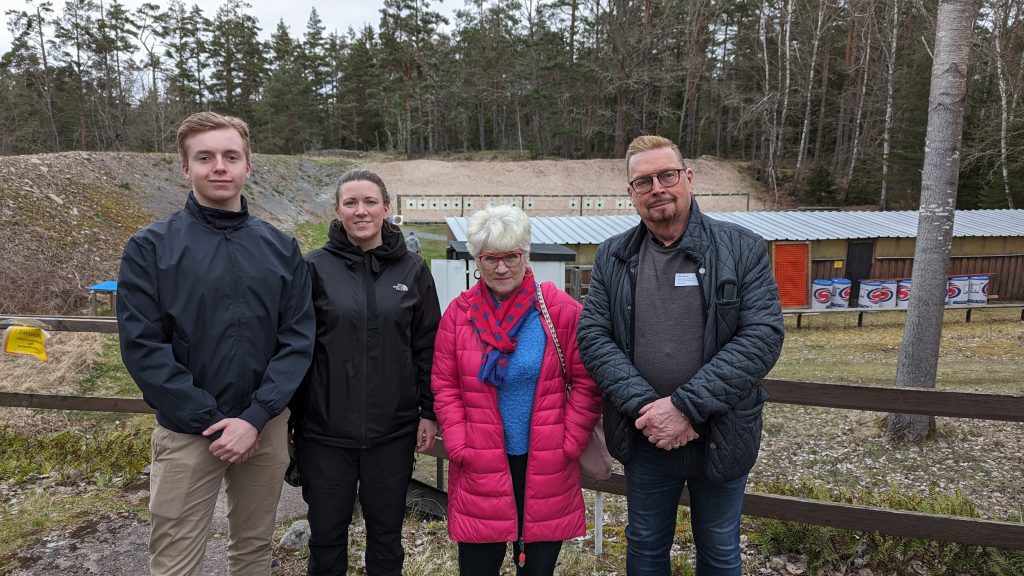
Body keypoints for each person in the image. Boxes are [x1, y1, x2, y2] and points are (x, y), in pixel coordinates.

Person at [116, 111, 315, 576]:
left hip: (263, 429)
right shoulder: (150, 248)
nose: (219, 167)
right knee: (175, 559)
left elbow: (298, 340)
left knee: (253, 551)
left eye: (230, 156)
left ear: (248, 165)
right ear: (186, 169)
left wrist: (255, 417)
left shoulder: (281, 248)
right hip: (189, 432)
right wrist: (213, 421)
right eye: (205, 157)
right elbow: (143, 346)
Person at [577, 135, 784, 576]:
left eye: (666, 175)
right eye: (643, 181)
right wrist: (649, 411)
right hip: (646, 436)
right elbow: (593, 336)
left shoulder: (742, 249)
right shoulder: (614, 256)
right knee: (646, 547)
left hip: (722, 431)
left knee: (720, 549)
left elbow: (762, 336)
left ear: (688, 178)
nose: (657, 188)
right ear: (630, 194)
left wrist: (686, 408)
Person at [431, 204, 603, 576]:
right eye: (491, 258)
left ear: (526, 254)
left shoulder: (559, 310)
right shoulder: (458, 315)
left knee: (537, 568)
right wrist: (459, 443)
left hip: (546, 460)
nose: (502, 267)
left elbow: (588, 380)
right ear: (478, 259)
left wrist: (570, 442)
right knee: (478, 566)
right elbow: (445, 385)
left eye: (512, 256)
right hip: (480, 460)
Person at [289, 169, 441, 576]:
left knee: (387, 536)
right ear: (338, 211)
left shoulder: (412, 269)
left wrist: (429, 411)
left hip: (392, 431)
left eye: (370, 202)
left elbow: (427, 344)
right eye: (351, 203)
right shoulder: (313, 268)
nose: (361, 211)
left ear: (387, 209)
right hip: (324, 432)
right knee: (325, 536)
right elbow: (294, 346)